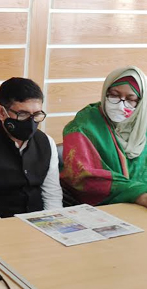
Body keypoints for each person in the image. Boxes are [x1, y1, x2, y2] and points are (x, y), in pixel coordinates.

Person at [0, 77, 63, 221]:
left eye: (37, 115)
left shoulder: (46, 142)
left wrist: (53, 224)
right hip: (0, 224)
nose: (31, 122)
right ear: (2, 113)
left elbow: (52, 196)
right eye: (23, 114)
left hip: (41, 223)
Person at [61, 66, 147, 207]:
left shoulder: (143, 126)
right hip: (101, 207)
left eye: (130, 99)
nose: (120, 104)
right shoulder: (83, 125)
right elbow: (82, 175)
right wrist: (138, 193)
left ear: (141, 102)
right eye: (114, 95)